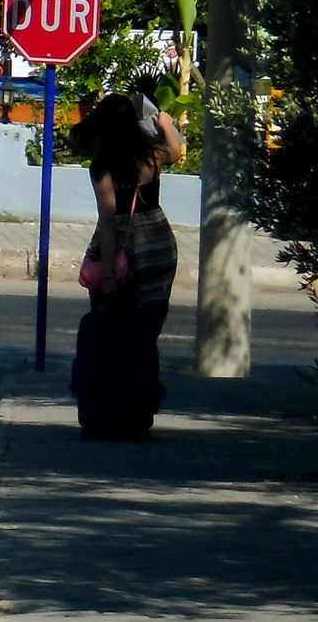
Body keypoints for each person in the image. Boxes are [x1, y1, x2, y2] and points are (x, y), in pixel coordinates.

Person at [71, 93, 187, 434]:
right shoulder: (150, 156)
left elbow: (108, 222)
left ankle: (110, 401)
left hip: (120, 247)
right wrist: (166, 126)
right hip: (157, 242)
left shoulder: (102, 168)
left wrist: (107, 274)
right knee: (146, 329)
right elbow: (177, 151)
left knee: (110, 325)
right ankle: (140, 404)